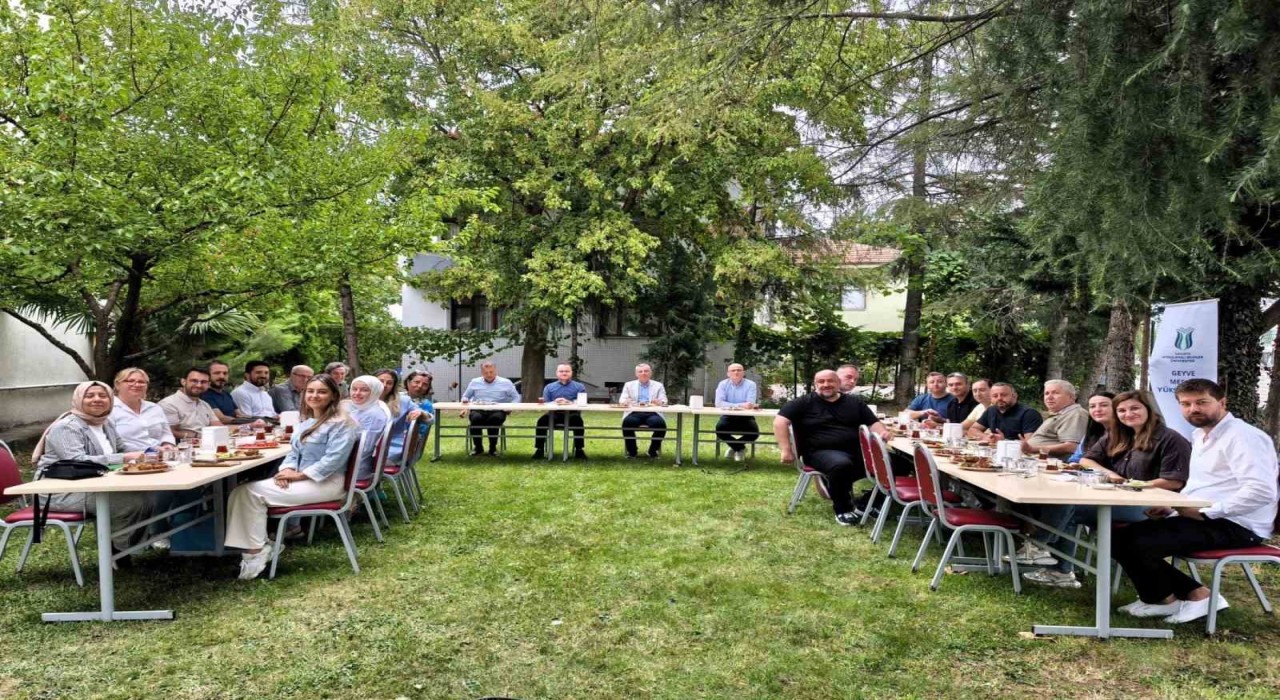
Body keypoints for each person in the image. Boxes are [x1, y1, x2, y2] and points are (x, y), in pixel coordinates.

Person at [1113, 379, 1277, 623]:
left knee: (1135, 541)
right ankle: (1163, 600)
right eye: (1186, 404)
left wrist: (1206, 513)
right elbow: (1201, 485)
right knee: (1118, 537)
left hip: (1237, 524)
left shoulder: (1243, 437)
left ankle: (1199, 596)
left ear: (1222, 402)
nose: (1193, 409)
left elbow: (1261, 490)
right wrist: (1172, 508)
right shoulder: (1200, 435)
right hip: (1206, 518)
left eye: (1201, 402)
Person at [1020, 390, 1190, 588]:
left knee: (1068, 505)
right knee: (1062, 505)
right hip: (1116, 498)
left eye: (1134, 408)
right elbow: (1086, 458)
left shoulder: (1170, 438)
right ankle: (1060, 570)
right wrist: (1110, 475)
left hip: (1150, 505)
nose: (1128, 414)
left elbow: (1174, 482)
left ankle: (1040, 548)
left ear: (1150, 410)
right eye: (1122, 410)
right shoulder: (1118, 434)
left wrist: (1133, 485)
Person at [224, 374, 358, 580]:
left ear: (333, 396)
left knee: (248, 492)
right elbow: (293, 452)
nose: (315, 395)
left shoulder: (342, 424)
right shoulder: (307, 422)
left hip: (325, 483)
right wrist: (285, 470)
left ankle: (256, 552)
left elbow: (333, 461)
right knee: (239, 492)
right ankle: (258, 547)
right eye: (311, 391)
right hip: (303, 479)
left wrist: (298, 476)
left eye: (322, 392)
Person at [32, 382, 152, 552]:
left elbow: (123, 448)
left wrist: (151, 454)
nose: (97, 400)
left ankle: (126, 547)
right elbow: (76, 460)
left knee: (149, 497)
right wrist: (123, 458)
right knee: (132, 503)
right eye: (90, 396)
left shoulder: (105, 423)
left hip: (93, 484)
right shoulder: (67, 427)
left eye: (103, 396)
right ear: (79, 399)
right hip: (61, 491)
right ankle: (117, 550)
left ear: (110, 400)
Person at [774, 369, 891, 526]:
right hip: (819, 452)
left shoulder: (854, 403)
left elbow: (873, 423)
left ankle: (868, 502)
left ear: (838, 383)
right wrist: (786, 450)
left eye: (830, 381)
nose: (826, 385)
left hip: (856, 452)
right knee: (840, 464)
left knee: (900, 464)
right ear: (815, 385)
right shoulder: (804, 402)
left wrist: (882, 432)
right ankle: (843, 510)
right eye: (821, 382)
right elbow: (780, 421)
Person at [461, 361, 520, 456]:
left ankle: (493, 448)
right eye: (486, 373)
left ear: (495, 371)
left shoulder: (506, 382)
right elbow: (465, 396)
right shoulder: (474, 382)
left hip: (498, 410)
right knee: (475, 419)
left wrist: (510, 407)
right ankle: (478, 448)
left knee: (495, 419)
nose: (489, 375)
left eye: (491, 372)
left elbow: (516, 397)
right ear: (481, 373)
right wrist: (465, 400)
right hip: (478, 409)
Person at [108, 368, 173, 452]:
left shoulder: (154, 408)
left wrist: (168, 444)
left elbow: (166, 433)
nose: (136, 385)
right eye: (130, 381)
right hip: (128, 458)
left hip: (160, 456)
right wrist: (151, 450)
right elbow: (114, 442)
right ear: (117, 384)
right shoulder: (109, 409)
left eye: (141, 382)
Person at [534, 363, 588, 460]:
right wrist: (554, 402)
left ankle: (579, 450)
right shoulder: (549, 387)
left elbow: (582, 402)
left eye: (567, 371)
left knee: (578, 421)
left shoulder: (579, 387)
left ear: (571, 373)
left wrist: (570, 402)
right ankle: (539, 450)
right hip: (554, 414)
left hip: (572, 414)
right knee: (541, 421)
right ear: (557, 373)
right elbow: (545, 403)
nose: (564, 373)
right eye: (561, 371)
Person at [1022, 379, 1088, 456]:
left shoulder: (1076, 414)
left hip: (1053, 464)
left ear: (1072, 397)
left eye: (1055, 393)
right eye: (1046, 393)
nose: (1049, 397)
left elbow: (1072, 447)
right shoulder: (1059, 413)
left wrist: (1032, 449)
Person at [345, 375, 392, 479]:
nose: (357, 393)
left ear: (374, 392)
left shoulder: (372, 415)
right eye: (354, 389)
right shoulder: (370, 407)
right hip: (353, 460)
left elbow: (365, 448)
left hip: (355, 467)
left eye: (364, 390)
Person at [159, 366, 222, 440]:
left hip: (208, 445)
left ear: (208, 385)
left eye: (203, 382)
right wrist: (199, 436)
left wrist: (238, 428)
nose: (199, 385)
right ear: (183, 382)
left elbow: (218, 427)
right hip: (182, 448)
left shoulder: (204, 404)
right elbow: (170, 432)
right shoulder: (168, 404)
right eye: (194, 381)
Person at [620, 363, 668, 459]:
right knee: (627, 423)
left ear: (650, 373)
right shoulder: (629, 385)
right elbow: (622, 400)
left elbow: (664, 400)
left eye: (646, 371)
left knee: (660, 425)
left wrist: (659, 402)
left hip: (652, 412)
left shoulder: (658, 385)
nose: (643, 373)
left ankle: (652, 451)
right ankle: (632, 452)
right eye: (640, 371)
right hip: (634, 412)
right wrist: (626, 402)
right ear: (636, 374)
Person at [966, 382, 1043, 441]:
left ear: (1014, 396)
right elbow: (972, 430)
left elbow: (1031, 443)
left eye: (1004, 395)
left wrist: (1004, 441)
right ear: (991, 398)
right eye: (995, 396)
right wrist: (986, 437)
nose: (999, 398)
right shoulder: (991, 410)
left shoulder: (1029, 413)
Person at [388, 370, 434, 466]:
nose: (420, 386)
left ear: (428, 388)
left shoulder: (426, 405)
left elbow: (420, 431)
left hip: (405, 445)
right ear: (408, 382)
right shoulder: (395, 398)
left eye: (425, 384)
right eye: (416, 382)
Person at [715, 363, 759, 462]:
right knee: (719, 429)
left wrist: (730, 405)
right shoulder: (723, 384)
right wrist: (740, 405)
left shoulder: (751, 384)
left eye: (739, 370)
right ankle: (740, 448)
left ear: (743, 373)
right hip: (728, 416)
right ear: (728, 373)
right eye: (733, 370)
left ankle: (734, 447)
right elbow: (718, 403)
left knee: (754, 433)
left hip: (746, 417)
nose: (736, 372)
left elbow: (749, 404)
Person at [1066, 390, 1117, 463]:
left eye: (1104, 405)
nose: (1097, 409)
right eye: (1092, 406)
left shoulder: (1123, 435)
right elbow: (1075, 459)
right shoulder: (1091, 434)